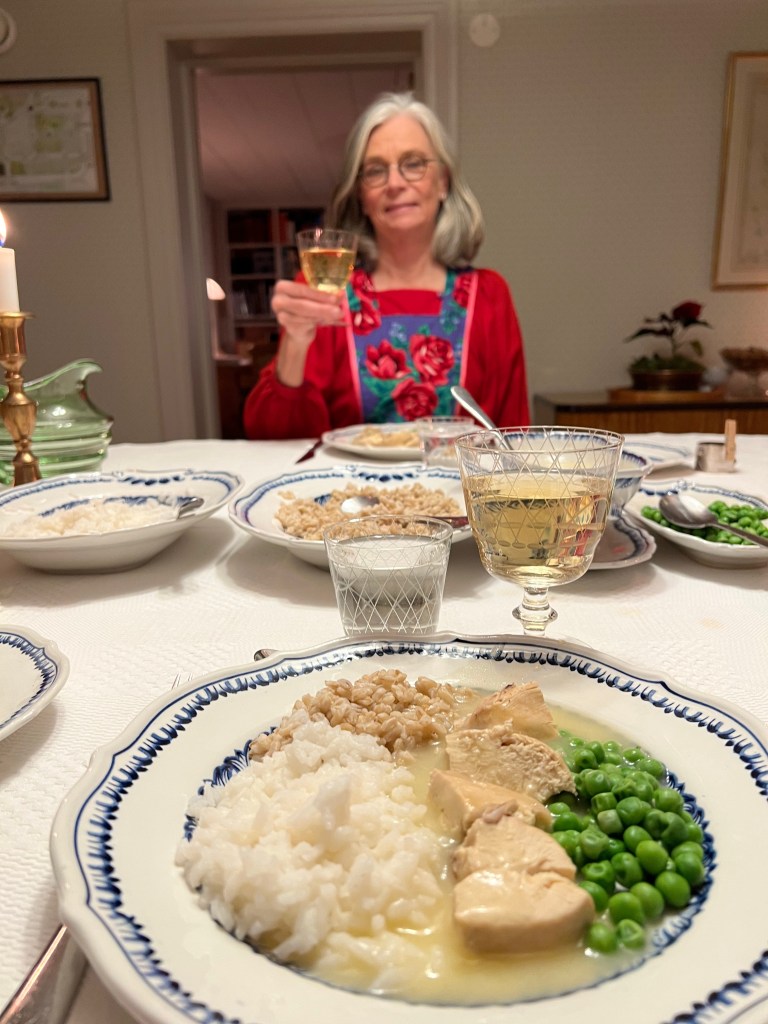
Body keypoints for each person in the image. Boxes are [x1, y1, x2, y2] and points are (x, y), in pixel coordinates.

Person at [243, 92, 529, 440]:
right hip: (349, 494)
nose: (395, 183)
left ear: (443, 182)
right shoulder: (325, 293)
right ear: (361, 196)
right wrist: (295, 344)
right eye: (376, 171)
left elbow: (514, 436)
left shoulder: (489, 295)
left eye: (413, 163)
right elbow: (273, 438)